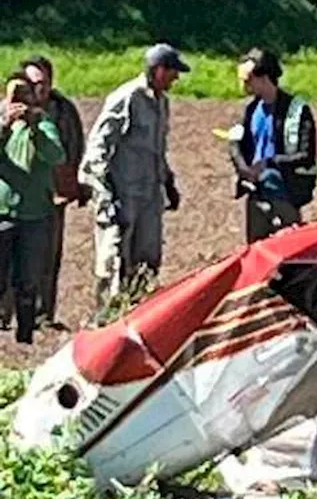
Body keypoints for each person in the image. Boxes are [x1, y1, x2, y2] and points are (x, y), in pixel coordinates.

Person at [79, 43, 186, 323]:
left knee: (147, 261)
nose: (176, 79)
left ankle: (140, 320)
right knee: (115, 261)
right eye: (173, 72)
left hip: (149, 195)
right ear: (159, 70)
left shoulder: (162, 102)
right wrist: (105, 193)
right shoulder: (126, 98)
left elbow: (156, 149)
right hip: (122, 194)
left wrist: (168, 182)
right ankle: (106, 322)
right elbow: (97, 148)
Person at [20, 55, 87, 328]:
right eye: (34, 83)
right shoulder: (9, 110)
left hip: (51, 195)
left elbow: (74, 146)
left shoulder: (63, 111)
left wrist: (72, 183)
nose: (40, 89)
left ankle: (44, 313)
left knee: (49, 256)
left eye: (44, 83)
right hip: (16, 197)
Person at [226, 47, 317, 242]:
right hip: (256, 193)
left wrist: (269, 163)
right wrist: (243, 169)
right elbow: (236, 144)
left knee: (291, 248)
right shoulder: (251, 110)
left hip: (284, 192)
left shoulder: (297, 111)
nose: (244, 84)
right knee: (257, 251)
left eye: (248, 79)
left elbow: (306, 155)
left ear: (264, 77)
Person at [0, 72, 66, 343]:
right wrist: (5, 126)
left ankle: (26, 332)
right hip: (3, 211)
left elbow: (56, 155)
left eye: (25, 95)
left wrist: (34, 128)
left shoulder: (44, 124)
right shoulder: (2, 124)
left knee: (28, 278)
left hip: (34, 212)